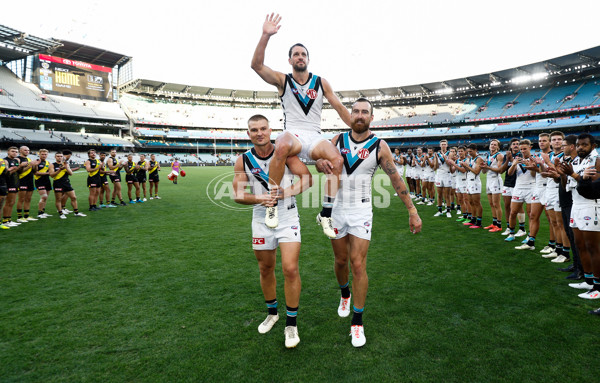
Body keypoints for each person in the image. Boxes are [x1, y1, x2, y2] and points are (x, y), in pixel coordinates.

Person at [315, 98, 422, 347]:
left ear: (371, 118)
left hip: (362, 210)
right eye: (356, 111)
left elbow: (396, 180)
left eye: (365, 112)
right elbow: (320, 162)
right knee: (341, 260)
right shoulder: (337, 141)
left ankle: (357, 321)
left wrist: (412, 210)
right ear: (350, 115)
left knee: (358, 264)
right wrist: (320, 163)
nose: (360, 115)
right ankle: (344, 294)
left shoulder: (379, 145)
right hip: (336, 208)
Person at [251, 13, 351, 238]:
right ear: (290, 60)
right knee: (282, 143)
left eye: (303, 54)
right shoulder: (283, 80)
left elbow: (339, 107)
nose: (300, 57)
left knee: (337, 160)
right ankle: (272, 204)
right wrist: (265, 35)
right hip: (293, 134)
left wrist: (356, 126)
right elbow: (256, 65)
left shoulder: (320, 82)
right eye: (296, 54)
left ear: (308, 58)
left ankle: (325, 213)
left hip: (314, 136)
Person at [233, 114, 312, 348]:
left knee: (290, 268)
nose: (259, 133)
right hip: (260, 218)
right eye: (254, 130)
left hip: (287, 216)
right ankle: (272, 313)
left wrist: (283, 193)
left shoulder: (284, 153)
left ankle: (291, 324)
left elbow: (306, 179)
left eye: (263, 128)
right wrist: (261, 198)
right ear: (248, 134)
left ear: (270, 130)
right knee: (266, 268)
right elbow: (238, 194)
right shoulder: (243, 160)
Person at [558, 133, 600, 304]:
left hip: (592, 205)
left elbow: (595, 185)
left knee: (593, 247)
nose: (581, 147)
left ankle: (598, 287)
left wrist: (574, 176)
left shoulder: (596, 159)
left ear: (593, 146)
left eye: (584, 144)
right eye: (579, 144)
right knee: (580, 244)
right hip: (576, 204)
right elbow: (566, 186)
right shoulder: (576, 162)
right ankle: (588, 280)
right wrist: (562, 173)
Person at [505, 140, 539, 248]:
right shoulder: (517, 159)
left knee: (531, 214)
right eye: (521, 149)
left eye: (525, 148)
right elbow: (510, 173)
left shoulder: (534, 159)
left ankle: (529, 236)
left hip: (531, 187)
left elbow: (534, 174)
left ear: (530, 147)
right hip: (518, 187)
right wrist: (514, 164)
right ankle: (511, 233)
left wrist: (529, 164)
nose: (523, 151)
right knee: (513, 211)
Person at [499, 138, 527, 237]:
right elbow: (501, 171)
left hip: (518, 184)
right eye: (514, 144)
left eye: (517, 144)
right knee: (507, 206)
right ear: (510, 146)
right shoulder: (506, 156)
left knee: (518, 207)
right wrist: (507, 159)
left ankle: (522, 229)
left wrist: (512, 160)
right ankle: (508, 227)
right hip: (507, 183)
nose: (515, 145)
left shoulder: (521, 155)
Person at [49, 151, 86, 219]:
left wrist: (66, 167)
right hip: (57, 183)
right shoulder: (52, 165)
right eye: (58, 156)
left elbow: (71, 173)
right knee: (58, 199)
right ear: (55, 157)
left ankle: (76, 212)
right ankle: (61, 213)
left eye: (61, 156)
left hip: (66, 183)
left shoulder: (65, 164)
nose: (59, 157)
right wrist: (59, 170)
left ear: (63, 157)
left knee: (74, 197)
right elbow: (51, 175)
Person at [480, 139, 504, 232]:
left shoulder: (499, 156)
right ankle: (494, 223)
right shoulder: (487, 156)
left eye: (495, 145)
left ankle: (499, 225)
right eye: (491, 144)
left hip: (496, 180)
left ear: (498, 147)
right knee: (491, 204)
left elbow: (499, 170)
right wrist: (483, 167)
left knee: (496, 204)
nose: (493, 146)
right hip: (489, 180)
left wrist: (487, 167)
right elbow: (484, 172)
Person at [2, 146, 27, 227]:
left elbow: (20, 172)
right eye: (12, 151)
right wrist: (19, 166)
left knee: (12, 202)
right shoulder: (5, 161)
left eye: (16, 152)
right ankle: (5, 220)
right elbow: (7, 174)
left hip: (15, 183)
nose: (15, 153)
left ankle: (9, 220)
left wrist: (22, 166)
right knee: (8, 202)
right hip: (9, 183)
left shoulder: (16, 160)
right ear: (8, 152)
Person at [461, 143, 484, 229]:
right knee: (470, 202)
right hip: (469, 182)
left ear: (475, 150)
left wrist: (467, 166)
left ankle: (479, 221)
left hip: (475, 182)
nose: (469, 153)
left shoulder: (479, 159)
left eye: (471, 151)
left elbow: (477, 171)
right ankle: (473, 219)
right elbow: (468, 170)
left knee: (477, 202)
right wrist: (465, 166)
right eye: (468, 151)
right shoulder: (470, 159)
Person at [16, 146, 38, 223]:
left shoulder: (29, 159)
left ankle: (26, 216)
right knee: (21, 199)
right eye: (25, 150)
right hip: (22, 181)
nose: (27, 151)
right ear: (20, 151)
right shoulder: (18, 159)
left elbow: (35, 171)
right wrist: (30, 165)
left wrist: (35, 165)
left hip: (30, 181)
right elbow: (19, 171)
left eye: (28, 150)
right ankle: (19, 217)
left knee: (28, 199)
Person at [434, 139, 454, 218]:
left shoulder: (450, 153)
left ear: (447, 145)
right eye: (442, 144)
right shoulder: (437, 154)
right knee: (439, 194)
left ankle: (448, 211)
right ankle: (439, 211)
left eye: (444, 144)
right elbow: (435, 167)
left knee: (447, 195)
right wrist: (435, 159)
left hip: (447, 174)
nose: (443, 146)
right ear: (440, 145)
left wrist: (443, 155)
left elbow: (449, 163)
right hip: (439, 174)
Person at [34, 149, 53, 218]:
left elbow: (51, 173)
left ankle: (42, 212)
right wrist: (47, 173)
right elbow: (35, 173)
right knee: (44, 196)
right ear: (39, 154)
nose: (44, 155)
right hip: (39, 181)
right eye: (42, 154)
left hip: (47, 181)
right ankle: (39, 213)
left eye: (45, 154)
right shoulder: (36, 162)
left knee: (46, 198)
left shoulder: (48, 163)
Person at [0, 156, 9, 229]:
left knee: (0, 205)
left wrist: (9, 170)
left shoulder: (3, 161)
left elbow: (6, 174)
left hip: (2, 185)